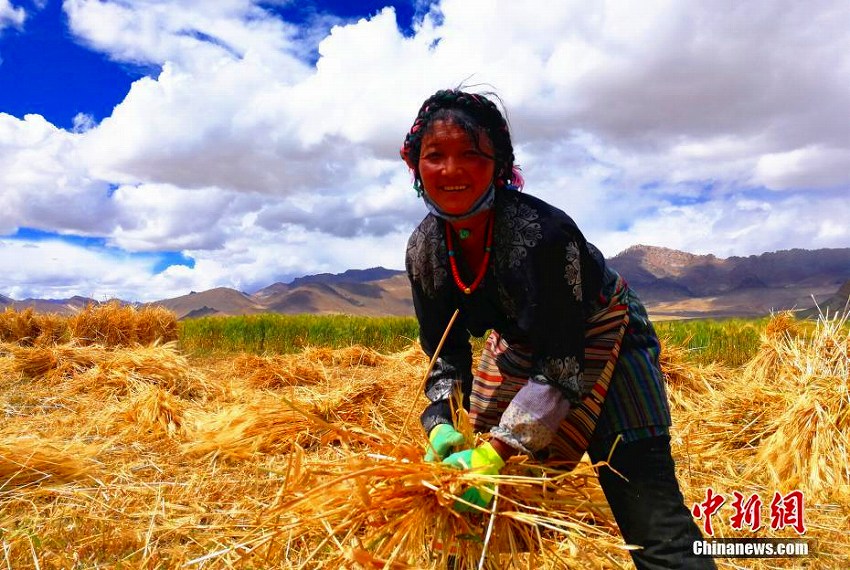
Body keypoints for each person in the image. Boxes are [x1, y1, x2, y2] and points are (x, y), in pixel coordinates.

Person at [400, 88, 716, 570]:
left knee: (651, 518)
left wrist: (497, 452)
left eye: (471, 154)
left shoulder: (542, 235)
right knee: (463, 504)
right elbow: (445, 352)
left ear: (499, 165)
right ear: (415, 165)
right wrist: (442, 422)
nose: (451, 170)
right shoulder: (425, 250)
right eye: (435, 155)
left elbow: (562, 364)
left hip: (604, 336)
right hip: (521, 351)